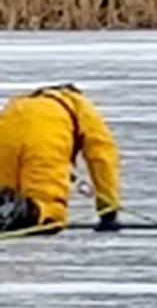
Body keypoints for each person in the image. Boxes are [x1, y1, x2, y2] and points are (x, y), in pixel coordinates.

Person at [0, 84, 122, 234]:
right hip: (44, 137)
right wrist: (108, 210)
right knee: (49, 211)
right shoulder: (81, 105)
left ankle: (9, 212)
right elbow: (102, 157)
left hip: (6, 130)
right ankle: (29, 212)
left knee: (6, 194)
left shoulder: (23, 101)